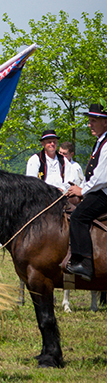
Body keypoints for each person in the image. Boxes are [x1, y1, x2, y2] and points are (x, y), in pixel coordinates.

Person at [64, 103, 107, 280]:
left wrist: (82, 190)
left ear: (105, 122)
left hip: (103, 193)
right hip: (99, 190)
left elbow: (102, 177)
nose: (89, 124)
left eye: (93, 121)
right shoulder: (100, 142)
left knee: (78, 217)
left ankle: (85, 262)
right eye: (89, 121)